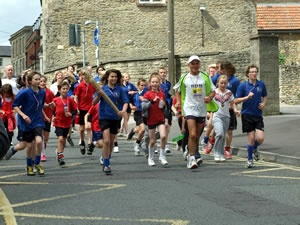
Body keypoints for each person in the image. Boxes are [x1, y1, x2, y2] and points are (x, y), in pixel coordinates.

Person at [175, 55, 217, 169]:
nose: (195, 65)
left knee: (197, 136)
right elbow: (177, 91)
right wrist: (179, 102)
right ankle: (192, 158)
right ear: (189, 65)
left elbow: (213, 91)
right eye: (192, 63)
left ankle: (190, 151)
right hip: (189, 108)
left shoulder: (205, 76)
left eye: (196, 63)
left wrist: (210, 97)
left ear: (199, 64)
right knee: (192, 134)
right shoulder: (184, 77)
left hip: (201, 109)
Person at [93, 69, 128, 174]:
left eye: (115, 77)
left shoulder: (120, 89)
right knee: (107, 141)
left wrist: (123, 111)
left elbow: (125, 102)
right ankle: (106, 164)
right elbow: (94, 103)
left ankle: (106, 155)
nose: (113, 78)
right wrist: (99, 95)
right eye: (112, 76)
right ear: (107, 77)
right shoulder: (102, 89)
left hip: (116, 117)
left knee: (111, 142)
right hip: (104, 117)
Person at [12, 71, 46, 176]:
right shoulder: (24, 93)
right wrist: (23, 115)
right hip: (26, 122)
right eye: (36, 79)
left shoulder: (42, 93)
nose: (39, 81)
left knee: (39, 141)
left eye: (39, 79)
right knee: (29, 146)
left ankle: (37, 164)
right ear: (30, 81)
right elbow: (15, 105)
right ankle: (29, 166)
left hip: (37, 121)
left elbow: (40, 105)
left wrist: (47, 110)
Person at [235, 64, 267, 168]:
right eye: (252, 72)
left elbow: (265, 95)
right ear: (247, 74)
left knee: (260, 138)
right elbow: (235, 100)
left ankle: (254, 148)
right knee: (251, 138)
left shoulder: (261, 84)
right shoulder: (243, 86)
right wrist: (247, 97)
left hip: (258, 115)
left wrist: (263, 104)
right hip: (247, 114)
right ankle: (249, 160)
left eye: (255, 71)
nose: (254, 73)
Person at [212, 75, 240, 162]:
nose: (223, 85)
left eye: (225, 83)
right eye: (221, 83)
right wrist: (208, 113)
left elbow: (232, 102)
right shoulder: (213, 92)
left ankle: (221, 153)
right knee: (219, 134)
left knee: (223, 136)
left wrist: (235, 110)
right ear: (217, 83)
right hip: (217, 116)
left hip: (226, 117)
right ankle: (216, 152)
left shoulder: (229, 92)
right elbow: (208, 103)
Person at [143, 73, 168, 167]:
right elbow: (143, 106)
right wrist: (152, 102)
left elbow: (164, 108)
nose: (155, 84)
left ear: (159, 83)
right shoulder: (147, 94)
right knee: (152, 140)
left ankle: (162, 156)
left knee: (163, 136)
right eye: (153, 82)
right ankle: (150, 158)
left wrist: (164, 105)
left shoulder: (162, 94)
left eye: (157, 82)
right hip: (151, 119)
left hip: (160, 118)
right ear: (150, 83)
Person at [52, 81, 78, 166]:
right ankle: (60, 156)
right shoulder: (55, 100)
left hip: (67, 123)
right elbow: (52, 109)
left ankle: (59, 152)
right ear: (59, 90)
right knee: (60, 139)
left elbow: (75, 110)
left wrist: (71, 114)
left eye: (67, 89)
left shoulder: (70, 99)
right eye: (63, 89)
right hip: (58, 122)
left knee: (63, 141)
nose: (65, 90)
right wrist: (52, 116)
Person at [74, 69, 96, 155]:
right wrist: (76, 108)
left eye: (88, 77)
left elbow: (94, 94)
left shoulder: (92, 85)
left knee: (89, 127)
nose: (86, 78)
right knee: (82, 128)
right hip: (82, 108)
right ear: (82, 77)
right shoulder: (79, 86)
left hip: (90, 108)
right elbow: (76, 97)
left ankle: (90, 144)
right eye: (84, 76)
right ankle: (82, 141)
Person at [127, 79, 147, 156]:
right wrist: (132, 107)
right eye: (141, 85)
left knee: (140, 130)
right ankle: (137, 143)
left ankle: (134, 130)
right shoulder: (135, 94)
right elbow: (130, 102)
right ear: (138, 86)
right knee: (143, 129)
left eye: (145, 85)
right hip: (138, 113)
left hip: (146, 113)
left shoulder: (147, 94)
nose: (143, 87)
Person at [40, 76, 55, 162]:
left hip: (48, 116)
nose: (42, 83)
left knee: (46, 137)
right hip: (40, 116)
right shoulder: (37, 92)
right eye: (41, 81)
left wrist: (53, 115)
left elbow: (53, 103)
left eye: (44, 81)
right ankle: (42, 154)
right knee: (41, 136)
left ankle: (43, 145)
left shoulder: (49, 92)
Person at [158, 67, 172, 153]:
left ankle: (165, 143)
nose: (162, 74)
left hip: (167, 105)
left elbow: (168, 93)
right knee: (162, 125)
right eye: (161, 72)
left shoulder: (168, 84)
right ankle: (158, 144)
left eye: (164, 72)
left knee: (167, 127)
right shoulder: (157, 84)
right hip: (159, 105)